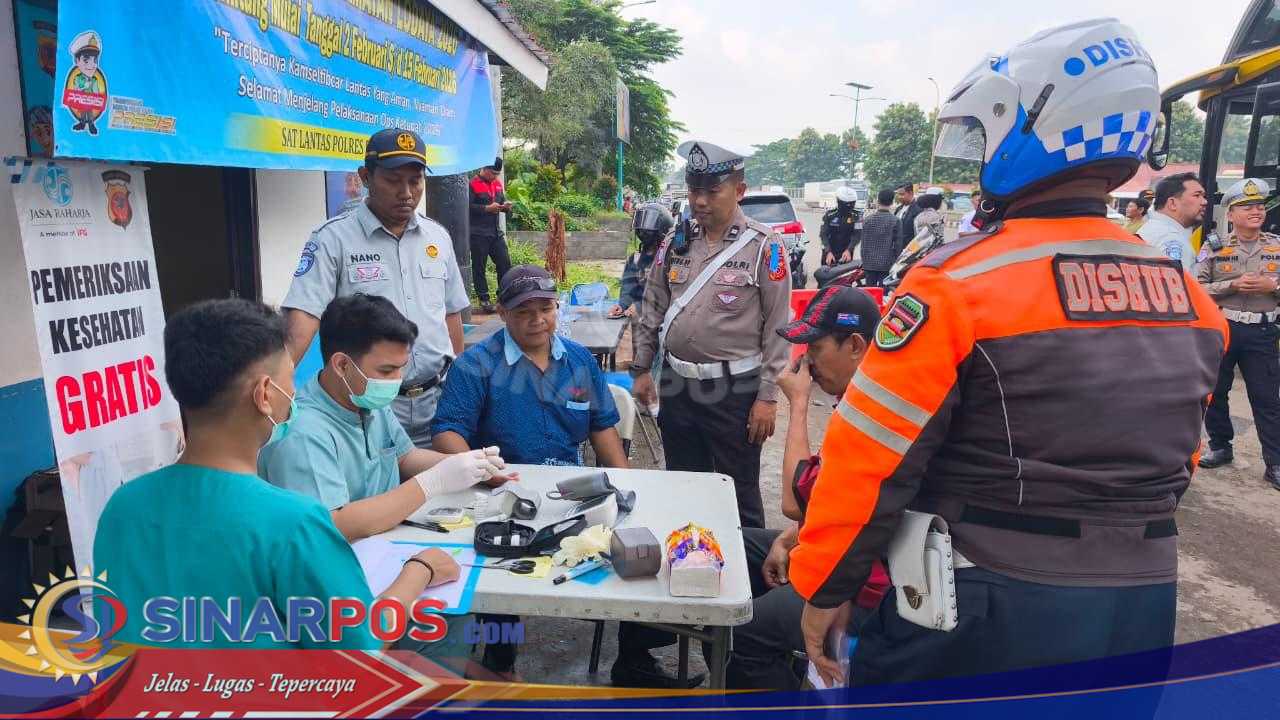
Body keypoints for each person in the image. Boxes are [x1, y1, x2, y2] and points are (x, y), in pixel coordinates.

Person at [790, 19, 1227, 689]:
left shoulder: (956, 284)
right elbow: (1181, 460)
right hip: (1142, 603)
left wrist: (826, 584)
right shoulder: (1191, 300)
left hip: (983, 605)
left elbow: (872, 460)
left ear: (1035, 129)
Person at [94, 299, 461, 649]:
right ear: (265, 394)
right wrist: (419, 571)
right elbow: (363, 643)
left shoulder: (122, 507)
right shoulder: (295, 524)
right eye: (290, 379)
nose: (295, 395)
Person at [432, 266, 694, 688]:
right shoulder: (476, 365)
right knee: (498, 566)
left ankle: (634, 659)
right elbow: (447, 431)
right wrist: (479, 471)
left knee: (639, 550)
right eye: (523, 312)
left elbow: (602, 427)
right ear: (501, 313)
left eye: (546, 308)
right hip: (504, 493)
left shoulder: (578, 361)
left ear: (557, 308)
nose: (537, 319)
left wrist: (630, 488)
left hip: (574, 492)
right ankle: (500, 659)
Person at [726, 286, 890, 690]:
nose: (806, 364)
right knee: (733, 547)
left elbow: (794, 501)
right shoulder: (856, 398)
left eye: (814, 349)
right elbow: (831, 502)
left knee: (744, 632)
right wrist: (789, 539)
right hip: (839, 546)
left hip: (864, 579)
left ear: (854, 345)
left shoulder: (878, 411)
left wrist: (798, 404)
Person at [630, 140, 793, 530]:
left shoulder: (764, 247)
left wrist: (767, 398)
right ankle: (691, 564)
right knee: (685, 485)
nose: (700, 200)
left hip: (734, 392)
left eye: (711, 190)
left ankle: (750, 580)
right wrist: (640, 368)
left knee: (739, 492)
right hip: (678, 385)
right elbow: (652, 305)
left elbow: (778, 328)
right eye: (693, 190)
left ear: (739, 191)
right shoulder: (676, 241)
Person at [259, 293, 509, 542]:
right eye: (387, 370)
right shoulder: (303, 432)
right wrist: (433, 482)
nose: (397, 379)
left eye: (402, 366)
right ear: (342, 365)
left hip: (387, 541)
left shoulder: (363, 397)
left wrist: (469, 466)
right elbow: (333, 524)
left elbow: (404, 456)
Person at [282, 128, 470, 447]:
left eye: (415, 181)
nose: (407, 193)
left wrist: (462, 386)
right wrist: (277, 387)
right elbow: (302, 321)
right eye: (394, 181)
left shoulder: (438, 238)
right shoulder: (332, 239)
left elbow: (451, 316)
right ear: (366, 177)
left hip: (439, 404)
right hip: (369, 409)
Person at [1195, 178, 1280, 490]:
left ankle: (1275, 463)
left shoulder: (1276, 246)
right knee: (1216, 391)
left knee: (1267, 398)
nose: (1256, 211)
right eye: (1247, 207)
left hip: (1262, 330)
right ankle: (1220, 445)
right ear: (1231, 214)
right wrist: (1230, 285)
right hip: (1224, 328)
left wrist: (1275, 287)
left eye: (1259, 206)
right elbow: (1197, 289)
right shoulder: (1214, 247)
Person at [610, 202, 674, 319]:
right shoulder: (635, 258)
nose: (643, 235)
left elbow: (669, 295)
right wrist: (623, 305)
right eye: (641, 232)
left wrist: (641, 306)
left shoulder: (673, 260)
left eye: (648, 233)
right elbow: (628, 286)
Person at [469, 157, 514, 313]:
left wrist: (505, 207)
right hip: (478, 233)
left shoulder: (497, 184)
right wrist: (486, 209)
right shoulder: (472, 184)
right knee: (479, 267)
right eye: (493, 173)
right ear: (485, 169)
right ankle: (484, 299)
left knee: (505, 263)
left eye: (497, 173)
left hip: (495, 233)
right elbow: (467, 208)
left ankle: (503, 296)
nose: (495, 176)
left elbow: (500, 204)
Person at [1138, 172, 1208, 271]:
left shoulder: (1153, 229)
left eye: (1203, 196)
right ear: (1172, 203)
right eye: (1197, 195)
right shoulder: (1172, 240)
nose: (1204, 202)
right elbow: (1178, 284)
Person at [858, 188, 901, 286]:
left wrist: (864, 261)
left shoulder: (867, 220)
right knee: (883, 293)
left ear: (878, 200)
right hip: (887, 263)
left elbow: (863, 243)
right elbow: (898, 245)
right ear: (892, 202)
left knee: (870, 292)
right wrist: (896, 262)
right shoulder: (895, 221)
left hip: (869, 263)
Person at [820, 186, 862, 266]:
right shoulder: (829, 215)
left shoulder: (857, 216)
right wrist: (828, 252)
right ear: (838, 201)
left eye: (851, 203)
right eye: (845, 204)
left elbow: (857, 234)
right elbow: (823, 234)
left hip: (846, 253)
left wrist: (849, 250)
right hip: (829, 252)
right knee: (826, 275)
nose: (848, 206)